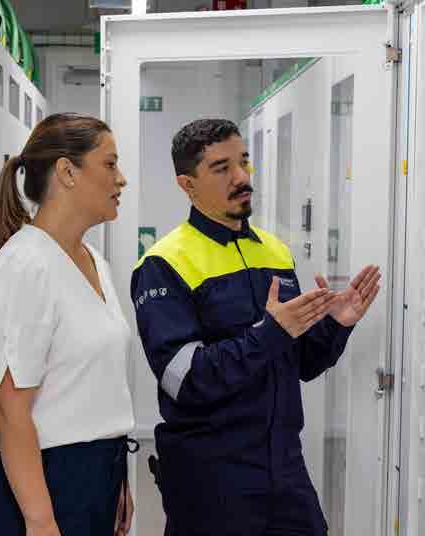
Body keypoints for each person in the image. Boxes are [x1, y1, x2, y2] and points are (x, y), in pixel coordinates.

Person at [131, 119, 381, 536]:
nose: (242, 177)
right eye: (221, 168)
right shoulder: (164, 264)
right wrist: (270, 334)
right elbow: (186, 380)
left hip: (285, 469)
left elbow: (300, 362)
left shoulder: (274, 251)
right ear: (187, 185)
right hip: (211, 478)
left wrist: (337, 325)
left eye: (243, 161)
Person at [0, 113, 137, 536]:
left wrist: (116, 482)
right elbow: (8, 406)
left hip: (92, 477)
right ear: (67, 172)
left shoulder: (93, 260)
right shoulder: (26, 264)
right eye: (110, 164)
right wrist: (40, 520)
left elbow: (93, 385)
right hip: (38, 489)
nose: (121, 179)